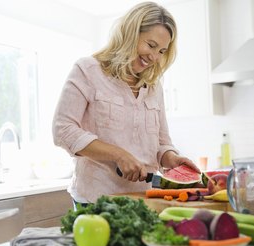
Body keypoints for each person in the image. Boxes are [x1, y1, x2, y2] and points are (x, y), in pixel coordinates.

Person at [52, 1, 200, 207]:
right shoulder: (87, 70)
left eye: (162, 51)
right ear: (130, 34)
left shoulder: (153, 86)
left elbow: (162, 142)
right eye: (151, 45)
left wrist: (171, 158)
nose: (154, 57)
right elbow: (63, 130)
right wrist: (119, 155)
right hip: (95, 200)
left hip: (145, 200)